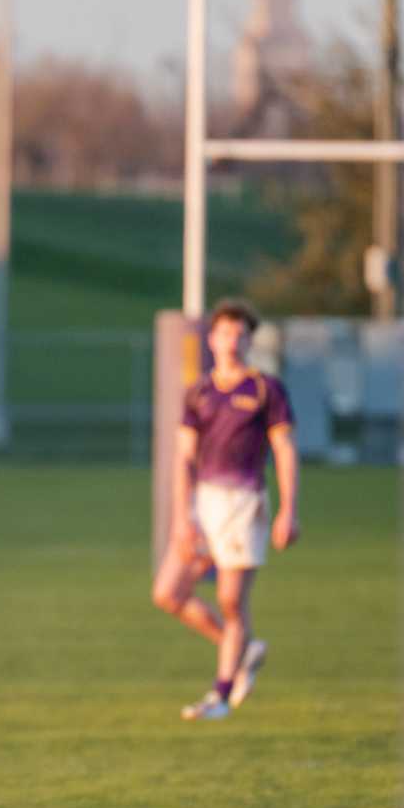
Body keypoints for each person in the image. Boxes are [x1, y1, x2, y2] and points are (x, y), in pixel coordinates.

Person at [151, 299, 300, 721]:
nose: (231, 341)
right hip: (202, 505)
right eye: (224, 332)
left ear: (250, 340)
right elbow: (183, 459)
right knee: (168, 593)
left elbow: (284, 449)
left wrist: (289, 508)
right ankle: (240, 649)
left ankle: (220, 694)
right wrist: (181, 518)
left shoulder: (266, 390)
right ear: (211, 339)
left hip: (243, 504)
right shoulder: (198, 392)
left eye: (240, 333)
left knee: (231, 599)